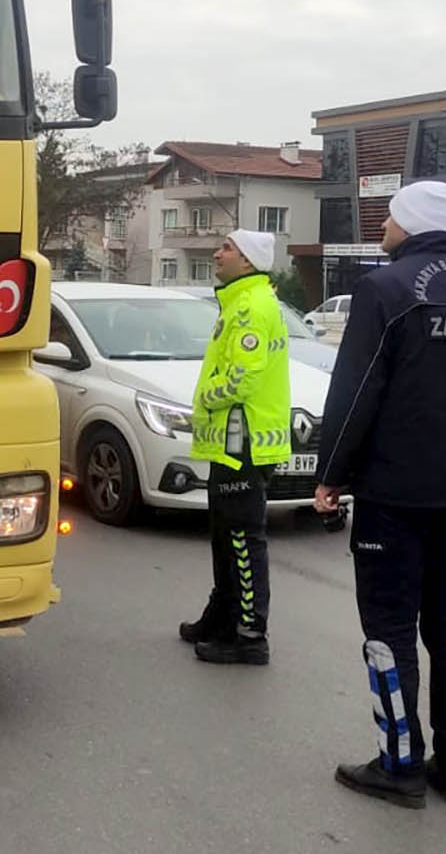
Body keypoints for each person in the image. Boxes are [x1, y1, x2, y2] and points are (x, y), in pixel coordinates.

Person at [312, 181, 446, 810]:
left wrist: (330, 473)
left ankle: (399, 764)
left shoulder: (385, 291)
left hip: (395, 495)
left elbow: (356, 390)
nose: (383, 230)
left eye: (389, 220)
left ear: (407, 225)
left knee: (389, 627)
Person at [178, 229, 290, 666]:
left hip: (242, 444)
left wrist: (205, 398)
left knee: (242, 539)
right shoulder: (241, 300)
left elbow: (244, 377)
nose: (217, 253)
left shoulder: (251, 306)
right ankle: (222, 616)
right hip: (230, 445)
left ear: (247, 261)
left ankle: (249, 634)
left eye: (226, 248)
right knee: (225, 536)